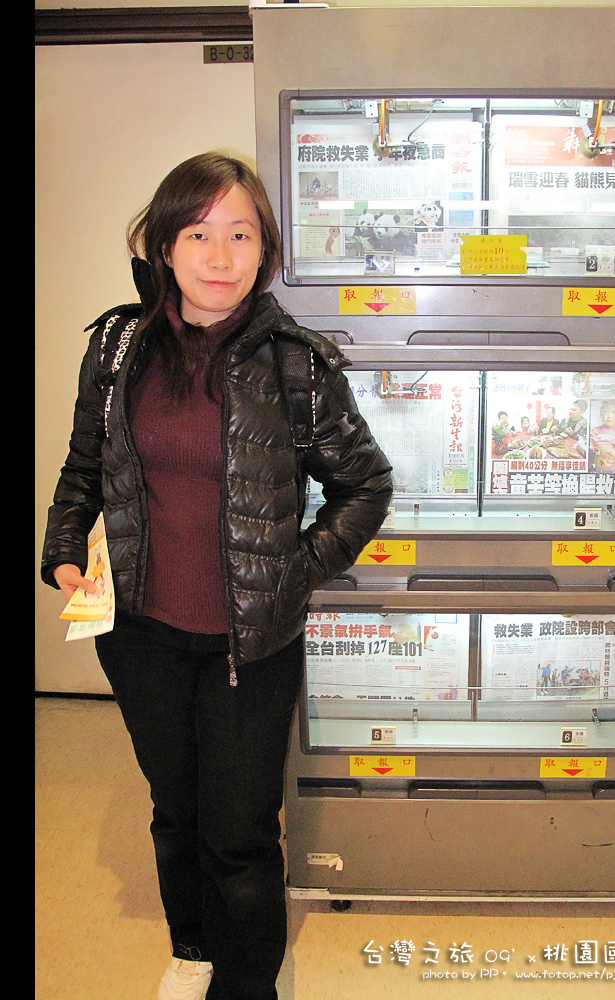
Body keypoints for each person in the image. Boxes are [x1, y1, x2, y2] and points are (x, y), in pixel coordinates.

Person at [41, 153, 393, 1000]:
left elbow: (364, 485)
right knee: (175, 812)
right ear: (164, 245)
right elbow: (84, 466)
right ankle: (193, 949)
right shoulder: (118, 348)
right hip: (139, 634)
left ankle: (246, 985)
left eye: (240, 235)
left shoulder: (297, 363)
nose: (220, 257)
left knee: (239, 835)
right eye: (199, 235)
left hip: (251, 645)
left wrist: (293, 570)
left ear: (264, 249)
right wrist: (62, 546)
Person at [590, 399, 615, 475]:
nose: (609, 416)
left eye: (613, 412)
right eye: (606, 411)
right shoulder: (595, 431)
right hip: (598, 470)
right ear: (601, 413)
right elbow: (590, 448)